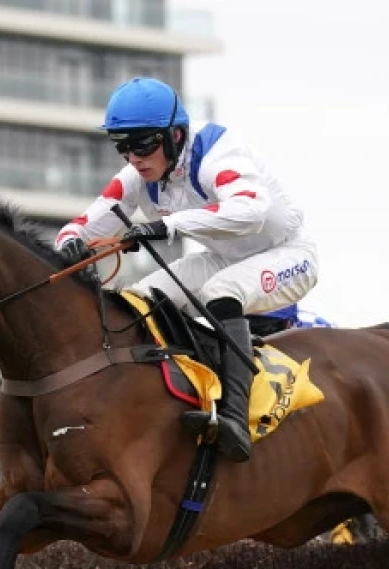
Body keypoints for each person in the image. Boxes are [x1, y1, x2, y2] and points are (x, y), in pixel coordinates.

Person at [54, 77, 319, 463]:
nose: (134, 157)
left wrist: (168, 225)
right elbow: (84, 223)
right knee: (138, 300)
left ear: (176, 135)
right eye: (122, 146)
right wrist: (69, 244)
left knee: (221, 292)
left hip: (287, 254)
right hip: (223, 258)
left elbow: (250, 209)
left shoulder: (217, 153)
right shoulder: (137, 176)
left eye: (143, 144)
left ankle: (234, 419)